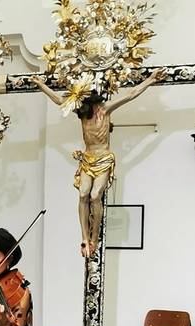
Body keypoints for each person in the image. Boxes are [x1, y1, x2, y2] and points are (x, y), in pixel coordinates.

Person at [31, 69, 163, 257]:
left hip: (103, 158)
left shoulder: (105, 109)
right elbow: (61, 101)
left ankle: (94, 237)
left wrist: (149, 81)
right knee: (83, 194)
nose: (79, 107)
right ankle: (84, 238)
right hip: (88, 158)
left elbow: (130, 95)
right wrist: (41, 85)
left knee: (95, 195)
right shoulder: (82, 112)